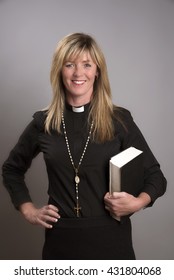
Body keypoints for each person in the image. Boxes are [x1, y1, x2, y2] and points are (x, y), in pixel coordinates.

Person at [2, 32, 167, 260]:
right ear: (60, 71)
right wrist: (28, 210)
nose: (78, 73)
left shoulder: (118, 120)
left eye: (87, 65)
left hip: (112, 243)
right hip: (61, 244)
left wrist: (137, 203)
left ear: (97, 71)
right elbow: (11, 169)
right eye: (70, 65)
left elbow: (155, 176)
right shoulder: (44, 122)